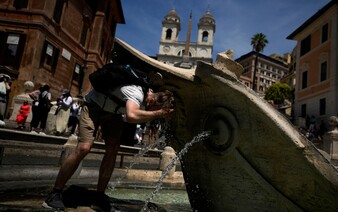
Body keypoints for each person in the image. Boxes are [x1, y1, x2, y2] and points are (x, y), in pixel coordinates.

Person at [42, 80, 174, 210]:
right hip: (93, 107)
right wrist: (158, 113)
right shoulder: (137, 92)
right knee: (84, 148)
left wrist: (158, 113)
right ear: (152, 101)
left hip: (113, 113)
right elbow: (131, 115)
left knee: (112, 149)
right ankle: (55, 193)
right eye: (153, 109)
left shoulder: (148, 96)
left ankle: (99, 196)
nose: (152, 112)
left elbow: (131, 117)